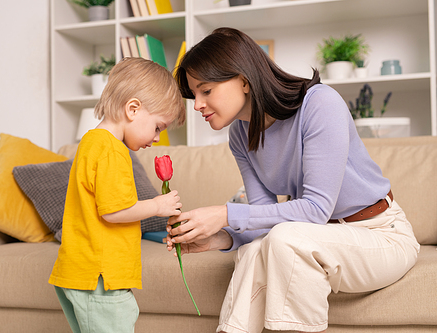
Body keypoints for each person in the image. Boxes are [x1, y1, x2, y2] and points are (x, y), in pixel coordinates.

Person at [168, 27, 420, 333]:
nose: (197, 105)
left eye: (206, 91)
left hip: (381, 235)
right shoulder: (239, 134)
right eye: (193, 94)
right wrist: (222, 237)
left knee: (286, 238)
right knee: (255, 248)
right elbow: (264, 221)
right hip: (316, 240)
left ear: (244, 80)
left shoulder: (319, 104)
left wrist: (224, 213)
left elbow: (315, 210)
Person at [49, 57, 185, 333]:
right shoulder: (112, 151)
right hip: (101, 278)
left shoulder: (91, 142)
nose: (157, 138)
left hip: (82, 274)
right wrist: (158, 205)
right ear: (133, 109)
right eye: (158, 126)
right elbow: (113, 211)